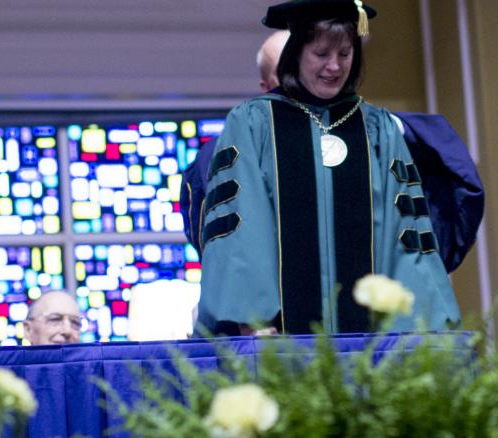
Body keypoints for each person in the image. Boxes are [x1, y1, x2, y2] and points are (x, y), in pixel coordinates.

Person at [194, 0, 462, 335]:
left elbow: (406, 233)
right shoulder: (255, 122)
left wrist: (418, 322)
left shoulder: (377, 127)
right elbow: (242, 225)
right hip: (274, 341)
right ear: (296, 53)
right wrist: (253, 317)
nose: (334, 66)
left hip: (373, 345)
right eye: (321, 54)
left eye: (345, 54)